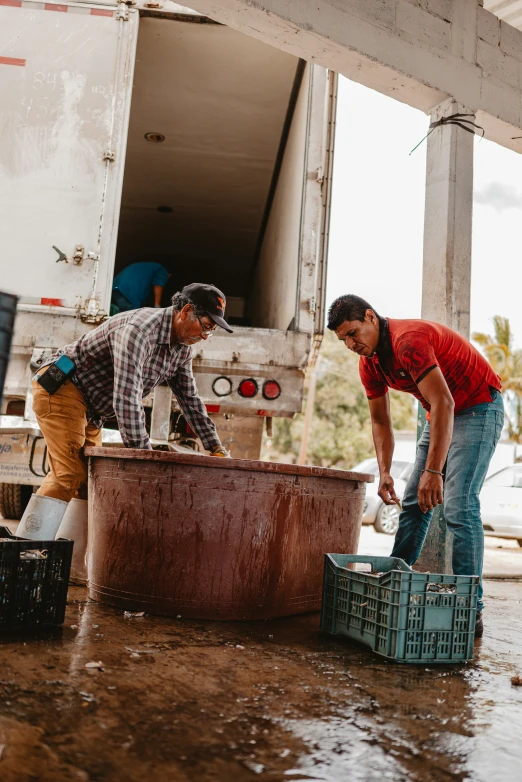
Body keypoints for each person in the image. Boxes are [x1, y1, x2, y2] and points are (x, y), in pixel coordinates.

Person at [327, 294, 504, 638]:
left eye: (353, 333)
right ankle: (393, 585)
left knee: (459, 506)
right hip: (440, 415)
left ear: (370, 317)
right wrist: (385, 472)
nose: (350, 344)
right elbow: (380, 421)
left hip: (478, 407)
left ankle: (471, 610)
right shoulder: (370, 363)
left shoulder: (409, 341)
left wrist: (434, 471)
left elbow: (444, 401)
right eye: (343, 340)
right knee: (412, 504)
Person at [22, 283, 232, 515]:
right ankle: (28, 547)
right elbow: (126, 398)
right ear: (185, 311)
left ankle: (70, 550)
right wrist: (144, 459)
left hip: (92, 407)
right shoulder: (140, 331)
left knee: (88, 484)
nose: (205, 336)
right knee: (69, 475)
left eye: (211, 331)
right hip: (64, 387)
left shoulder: (181, 350)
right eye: (205, 327)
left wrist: (215, 447)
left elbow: (189, 399)